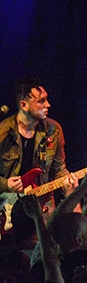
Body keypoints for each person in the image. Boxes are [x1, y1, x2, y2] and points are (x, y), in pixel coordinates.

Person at [0, 78, 74, 220]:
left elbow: (58, 169)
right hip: (7, 211)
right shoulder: (2, 132)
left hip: (41, 208)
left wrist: (69, 185)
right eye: (41, 101)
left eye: (46, 99)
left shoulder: (53, 130)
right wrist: (6, 184)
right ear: (24, 105)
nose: (48, 105)